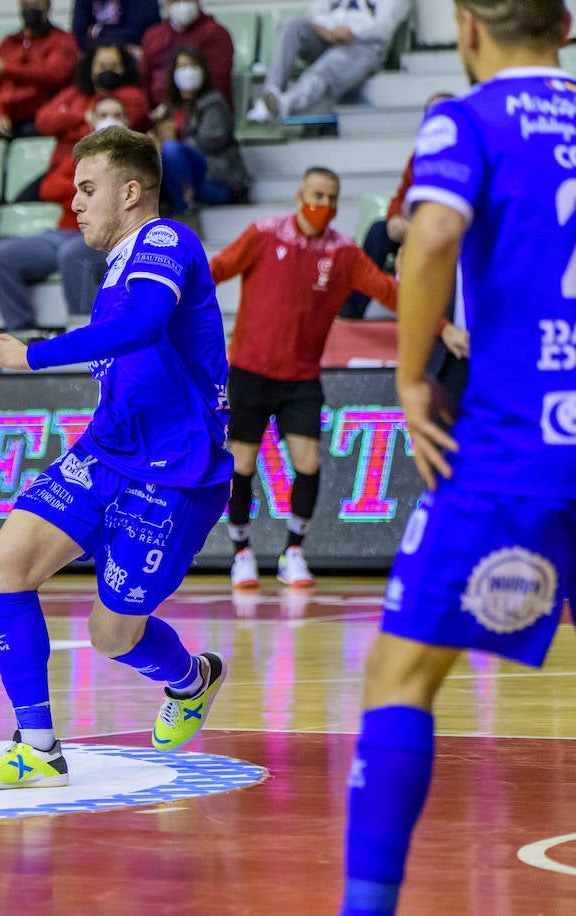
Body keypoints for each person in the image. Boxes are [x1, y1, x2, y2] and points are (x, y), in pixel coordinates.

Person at [341, 2, 575, 913]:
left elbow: (432, 235)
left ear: (466, 26)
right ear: (563, 24)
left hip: (519, 448)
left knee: (401, 675)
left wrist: (408, 378)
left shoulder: (469, 118)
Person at [0, 125, 233, 788]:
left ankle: (191, 680)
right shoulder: (116, 264)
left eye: (87, 188)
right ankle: (38, 747)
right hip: (106, 451)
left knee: (112, 635)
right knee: (3, 567)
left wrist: (31, 353)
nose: (73, 202)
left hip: (174, 471)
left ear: (131, 191)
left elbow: (141, 327)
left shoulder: (165, 240)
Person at [210, 168, 452, 590]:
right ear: (299, 193)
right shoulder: (263, 235)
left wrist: (443, 326)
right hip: (248, 371)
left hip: (301, 379)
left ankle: (293, 553)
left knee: (308, 464)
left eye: (332, 197)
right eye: (317, 194)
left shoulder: (343, 253)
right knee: (242, 465)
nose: (324, 204)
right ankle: (242, 554)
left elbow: (392, 292)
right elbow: (215, 269)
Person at [0, 86, 129, 333]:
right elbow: (48, 188)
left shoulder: (135, 157)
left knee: (73, 255)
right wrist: (90, 188)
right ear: (91, 120)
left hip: (110, 236)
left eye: (115, 114)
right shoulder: (82, 155)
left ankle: (87, 336)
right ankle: (22, 334)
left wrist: (83, 188)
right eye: (103, 115)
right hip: (64, 233)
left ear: (126, 121)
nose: (109, 121)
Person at [341, 92, 455, 320]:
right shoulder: (419, 156)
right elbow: (401, 195)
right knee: (379, 231)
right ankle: (351, 310)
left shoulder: (474, 155)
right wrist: (395, 218)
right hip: (415, 233)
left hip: (453, 238)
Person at [247, 0, 410, 123]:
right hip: (326, 36)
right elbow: (317, 10)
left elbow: (383, 27)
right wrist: (329, 32)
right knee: (291, 26)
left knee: (330, 64)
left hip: (364, 46)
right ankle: (271, 91)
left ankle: (286, 103)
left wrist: (350, 33)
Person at [153, 46, 247, 215]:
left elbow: (211, 141)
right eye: (181, 67)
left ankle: (186, 212)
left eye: (193, 66)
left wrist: (169, 146)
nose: (187, 72)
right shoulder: (170, 109)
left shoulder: (214, 102)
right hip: (180, 180)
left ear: (203, 71)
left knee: (171, 150)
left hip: (215, 181)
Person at [0, 0, 80, 139]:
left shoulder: (62, 40)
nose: (30, 9)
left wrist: (7, 68)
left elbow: (55, 75)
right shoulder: (9, 42)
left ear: (48, 6)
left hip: (37, 114)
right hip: (4, 115)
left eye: (36, 4)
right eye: (26, 5)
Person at [139, 0, 233, 109]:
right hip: (157, 112)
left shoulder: (215, 33)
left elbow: (217, 82)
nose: (182, 3)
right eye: (175, 0)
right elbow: (144, 78)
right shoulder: (153, 35)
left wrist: (172, 109)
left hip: (200, 110)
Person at [73, 0, 162, 52]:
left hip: (134, 56)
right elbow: (78, 35)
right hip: (94, 54)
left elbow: (137, 34)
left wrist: (97, 31)